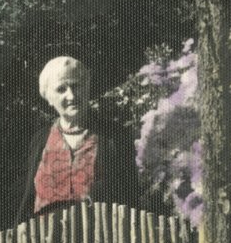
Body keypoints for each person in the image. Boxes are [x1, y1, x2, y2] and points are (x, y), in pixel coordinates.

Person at [17, 56, 143, 222]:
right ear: (49, 98)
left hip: (102, 239)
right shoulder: (40, 140)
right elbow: (28, 199)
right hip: (46, 241)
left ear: (87, 87)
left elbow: (130, 197)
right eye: (61, 89)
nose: (71, 95)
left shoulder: (115, 136)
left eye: (76, 86)